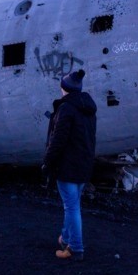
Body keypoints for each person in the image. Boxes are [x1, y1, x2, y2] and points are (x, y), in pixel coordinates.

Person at [42, 69, 97, 261]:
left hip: (67, 166)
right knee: (72, 205)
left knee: (71, 208)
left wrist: (48, 161)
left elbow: (58, 139)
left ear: (64, 88)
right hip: (83, 165)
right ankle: (65, 238)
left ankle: (75, 248)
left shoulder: (66, 108)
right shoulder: (88, 110)